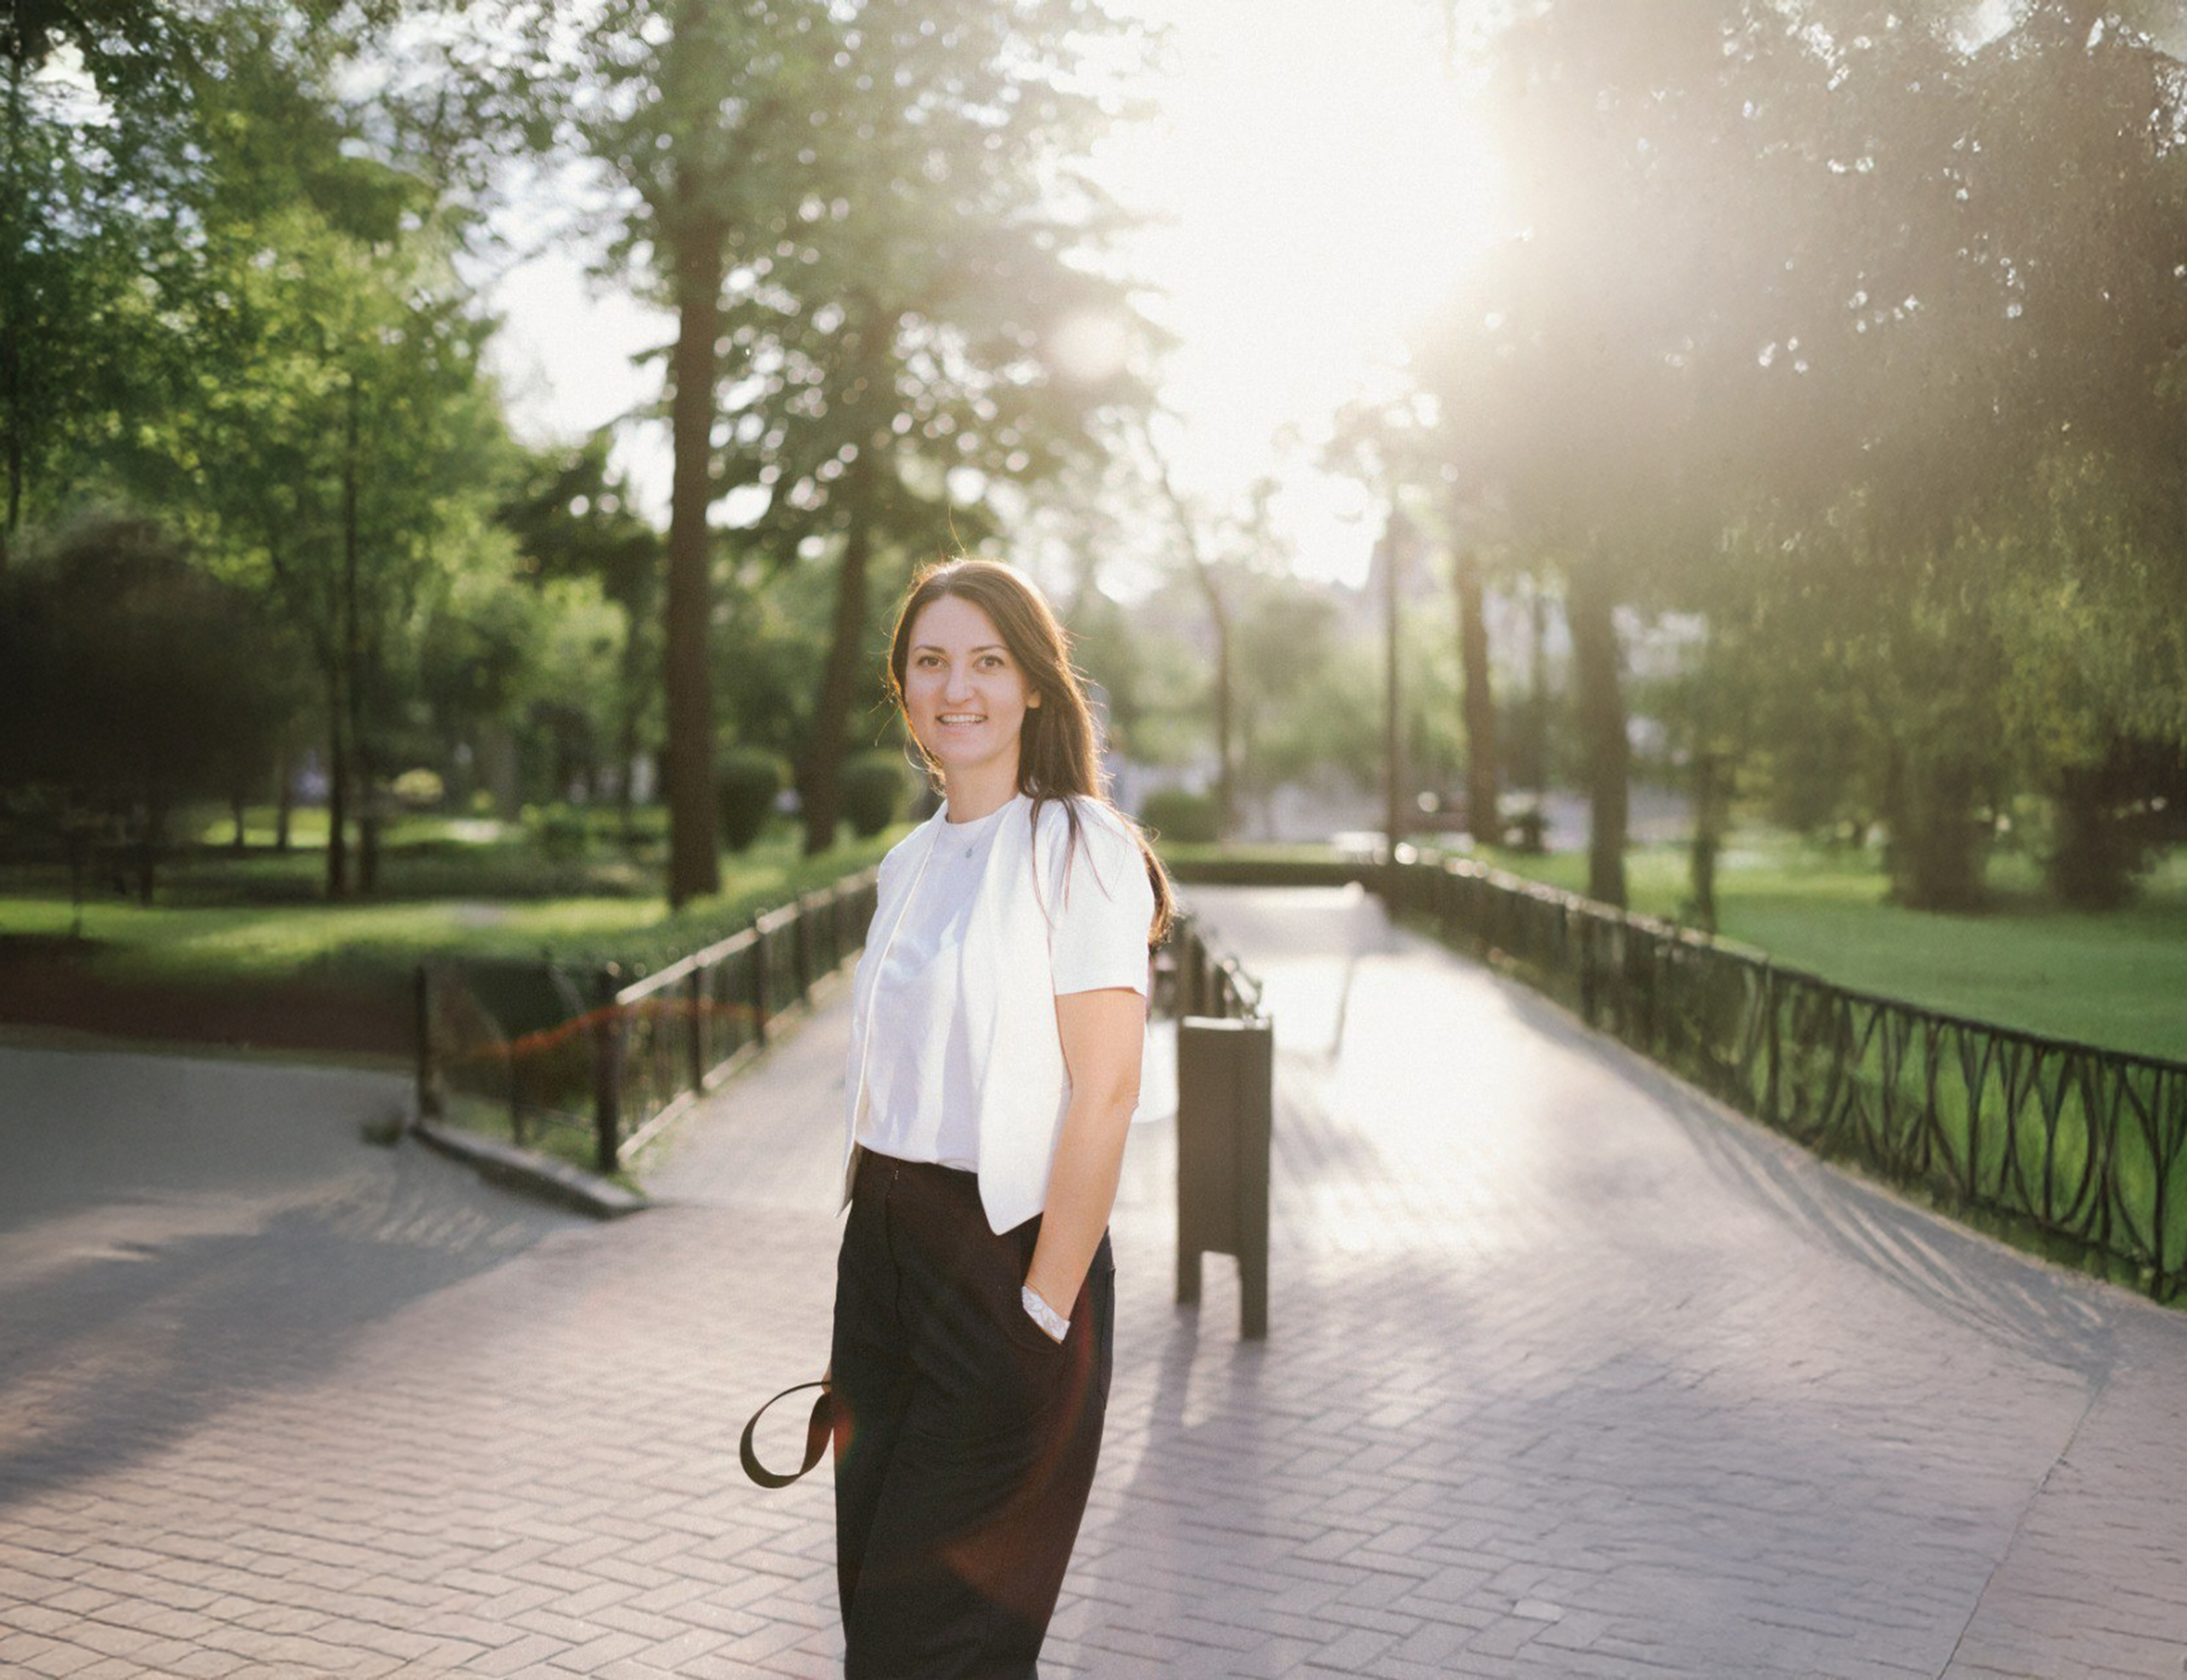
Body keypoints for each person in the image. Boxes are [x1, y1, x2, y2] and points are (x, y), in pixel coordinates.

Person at [829, 556, 1176, 1678]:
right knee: (874, 1618)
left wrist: (1042, 1309)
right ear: (905, 689)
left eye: (986, 659)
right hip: (881, 1260)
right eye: (930, 661)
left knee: (934, 1644)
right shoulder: (908, 862)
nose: (956, 686)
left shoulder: (1082, 846)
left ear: (1034, 683)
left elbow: (1107, 1091)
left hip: (1012, 1259)